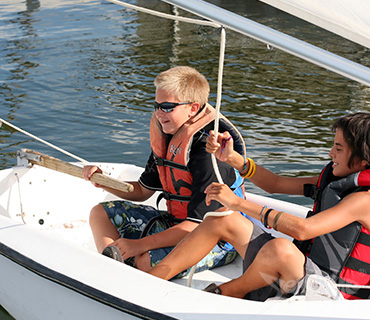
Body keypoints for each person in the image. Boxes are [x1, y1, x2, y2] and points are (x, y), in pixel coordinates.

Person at [149, 112, 370, 300]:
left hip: (328, 295)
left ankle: (223, 295)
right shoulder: (333, 181)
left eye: (339, 149)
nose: (331, 153)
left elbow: (303, 230)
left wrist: (238, 202)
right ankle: (151, 279)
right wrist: (232, 158)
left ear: (363, 161)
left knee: (281, 250)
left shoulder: (363, 200)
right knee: (224, 218)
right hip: (298, 274)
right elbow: (275, 184)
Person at [82, 66, 247, 276]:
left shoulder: (208, 152)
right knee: (100, 213)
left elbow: (198, 226)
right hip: (175, 224)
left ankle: (121, 274)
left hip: (215, 239)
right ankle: (114, 269)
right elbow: (142, 191)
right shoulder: (169, 137)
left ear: (193, 108)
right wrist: (102, 180)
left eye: (167, 107)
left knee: (145, 261)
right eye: (156, 106)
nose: (159, 114)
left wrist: (139, 245)